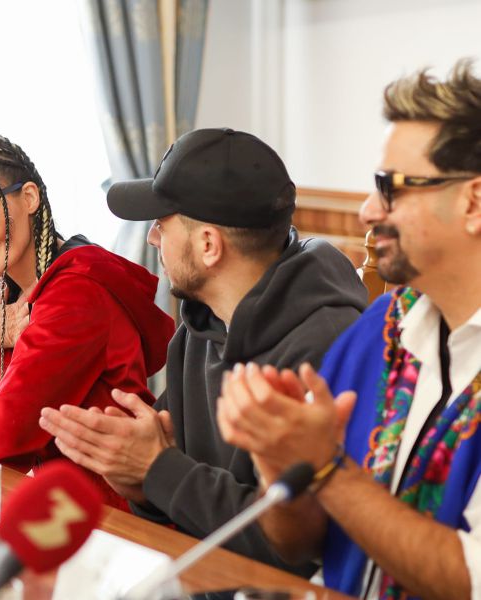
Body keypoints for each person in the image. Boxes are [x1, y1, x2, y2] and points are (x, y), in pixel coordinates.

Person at [38, 128, 367, 575]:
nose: (152, 239)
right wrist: (140, 481)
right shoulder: (200, 323)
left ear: (208, 245)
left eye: (162, 224)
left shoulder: (325, 346)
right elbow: (179, 500)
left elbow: (294, 550)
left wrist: (157, 470)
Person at [216, 60, 481, 599]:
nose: (366, 211)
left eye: (389, 187)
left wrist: (327, 468)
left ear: (473, 202)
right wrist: (283, 465)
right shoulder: (380, 330)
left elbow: (470, 580)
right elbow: (303, 545)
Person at [0, 135, 175, 507]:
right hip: (49, 514)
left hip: (107, 523)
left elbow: (0, 440)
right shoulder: (1, 302)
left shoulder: (77, 294)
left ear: (29, 198)